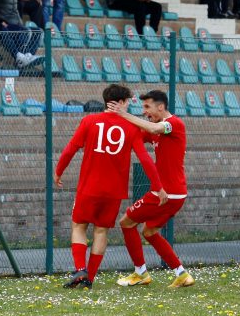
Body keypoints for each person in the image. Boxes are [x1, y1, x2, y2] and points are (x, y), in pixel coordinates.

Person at [54, 84, 165, 289]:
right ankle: (90, 278)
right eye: (128, 102)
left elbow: (71, 149)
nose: (130, 106)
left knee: (79, 226)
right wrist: (157, 186)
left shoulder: (89, 121)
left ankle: (80, 269)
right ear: (120, 102)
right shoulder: (132, 127)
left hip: (89, 187)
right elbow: (145, 159)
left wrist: (59, 171)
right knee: (101, 231)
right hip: (113, 192)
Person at [107, 90, 194, 288]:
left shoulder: (173, 124)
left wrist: (123, 113)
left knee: (127, 222)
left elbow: (154, 128)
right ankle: (182, 275)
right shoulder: (156, 128)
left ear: (161, 107)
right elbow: (136, 134)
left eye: (147, 107)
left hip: (166, 193)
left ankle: (140, 273)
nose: (145, 112)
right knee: (150, 231)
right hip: (175, 193)